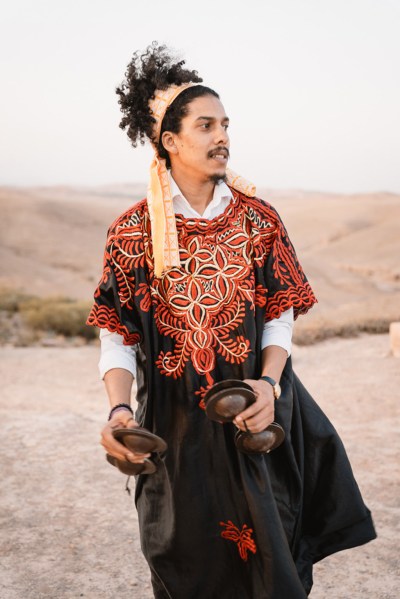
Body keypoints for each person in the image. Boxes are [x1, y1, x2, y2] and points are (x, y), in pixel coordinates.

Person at [87, 42, 376, 598]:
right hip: (173, 426)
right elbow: (117, 333)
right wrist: (120, 409)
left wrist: (270, 383)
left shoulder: (259, 219)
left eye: (225, 124)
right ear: (169, 141)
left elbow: (278, 313)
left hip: (257, 414)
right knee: (184, 561)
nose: (222, 136)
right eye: (205, 126)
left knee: (273, 561)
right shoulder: (130, 232)